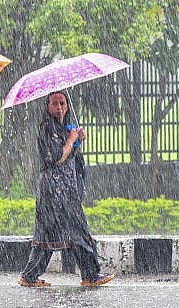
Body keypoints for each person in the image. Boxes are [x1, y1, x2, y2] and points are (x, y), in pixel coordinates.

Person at [19, 91, 115, 287]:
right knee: (62, 233)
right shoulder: (47, 129)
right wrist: (71, 141)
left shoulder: (65, 128)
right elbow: (57, 158)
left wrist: (78, 142)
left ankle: (32, 276)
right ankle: (88, 274)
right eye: (55, 103)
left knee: (64, 232)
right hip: (53, 191)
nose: (60, 107)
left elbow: (72, 158)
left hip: (67, 189)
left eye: (63, 103)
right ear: (48, 106)